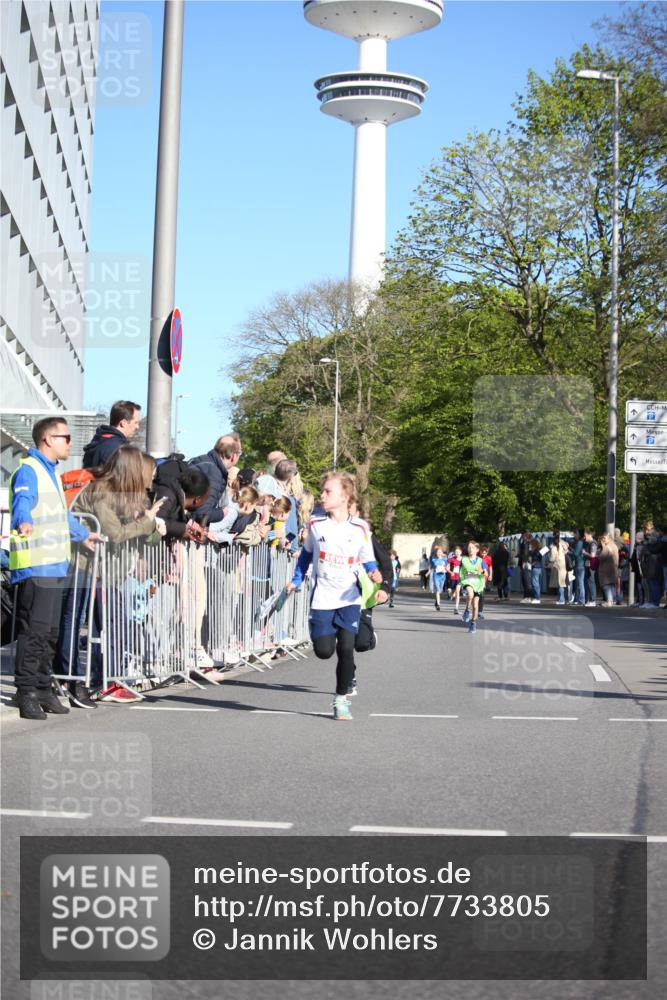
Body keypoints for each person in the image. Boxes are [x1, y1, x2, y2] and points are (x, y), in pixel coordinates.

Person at [9, 417, 100, 720]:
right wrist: (23, 520)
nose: (70, 443)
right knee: (34, 633)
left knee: (49, 633)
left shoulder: (51, 473)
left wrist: (83, 535)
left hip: (55, 565)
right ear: (48, 439)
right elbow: (24, 501)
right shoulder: (29, 470)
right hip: (36, 566)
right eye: (66, 437)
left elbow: (61, 517)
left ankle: (44, 687)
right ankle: (26, 692)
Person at [63, 448, 164, 705]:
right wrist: (148, 521)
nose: (149, 476)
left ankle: (108, 678)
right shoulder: (103, 491)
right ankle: (95, 680)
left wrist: (151, 526)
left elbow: (143, 535)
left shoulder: (128, 495)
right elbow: (115, 532)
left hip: (112, 573)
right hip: (92, 569)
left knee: (113, 625)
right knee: (98, 625)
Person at [287, 472, 381, 721]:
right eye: (323, 490)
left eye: (328, 491)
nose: (323, 495)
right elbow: (306, 556)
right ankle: (324, 633)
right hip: (322, 599)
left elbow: (368, 558)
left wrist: (374, 572)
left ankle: (341, 700)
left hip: (349, 598)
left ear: (344, 497)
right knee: (324, 651)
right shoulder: (316, 525)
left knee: (347, 649)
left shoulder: (361, 527)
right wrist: (296, 580)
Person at [82, 400, 142, 469]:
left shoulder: (98, 441)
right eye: (136, 423)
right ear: (123, 423)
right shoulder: (117, 449)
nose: (137, 427)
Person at [460, 541, 486, 633]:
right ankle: (467, 610)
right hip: (467, 581)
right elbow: (461, 571)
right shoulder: (464, 559)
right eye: (469, 547)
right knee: (470, 594)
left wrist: (481, 572)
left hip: (478, 583)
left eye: (473, 548)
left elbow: (486, 573)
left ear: (477, 550)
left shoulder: (480, 561)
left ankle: (473, 622)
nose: (470, 549)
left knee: (475, 606)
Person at [597, 533, 619, 607]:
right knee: (611, 585)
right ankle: (612, 600)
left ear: (609, 539)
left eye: (604, 538)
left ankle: (609, 601)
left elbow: (601, 557)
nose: (603, 540)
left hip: (607, 570)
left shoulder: (608, 547)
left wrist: (603, 547)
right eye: (602, 538)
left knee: (606, 585)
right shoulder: (614, 546)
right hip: (613, 569)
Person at [549, 531, 568, 605]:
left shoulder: (553, 547)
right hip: (563, 565)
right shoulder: (563, 543)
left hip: (557, 566)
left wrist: (549, 557)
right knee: (563, 583)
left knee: (559, 584)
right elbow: (567, 550)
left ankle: (561, 599)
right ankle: (563, 599)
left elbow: (552, 558)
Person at [583, 530, 598, 607]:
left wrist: (584, 553)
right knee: (589, 582)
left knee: (591, 582)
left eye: (585, 536)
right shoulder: (589, 543)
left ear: (589, 535)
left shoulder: (593, 543)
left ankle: (593, 600)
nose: (584, 538)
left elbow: (593, 555)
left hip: (591, 566)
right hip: (588, 565)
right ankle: (590, 600)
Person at [430, 545, 448, 610]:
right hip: (436, 575)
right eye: (438, 552)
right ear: (436, 553)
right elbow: (432, 566)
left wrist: (445, 570)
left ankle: (436, 601)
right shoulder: (433, 559)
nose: (439, 553)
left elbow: (447, 566)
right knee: (438, 590)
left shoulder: (445, 559)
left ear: (442, 553)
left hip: (443, 576)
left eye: (440, 552)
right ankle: (438, 605)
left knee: (440, 591)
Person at [518, 530, 533, 602]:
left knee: (526, 580)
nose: (521, 537)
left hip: (525, 563)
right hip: (524, 562)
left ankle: (528, 596)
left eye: (523, 535)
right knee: (525, 580)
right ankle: (526, 596)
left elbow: (525, 553)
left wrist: (524, 561)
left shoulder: (527, 543)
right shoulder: (524, 543)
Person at [447, 545, 463, 613]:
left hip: (460, 577)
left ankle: (456, 608)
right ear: (454, 552)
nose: (457, 553)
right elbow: (447, 568)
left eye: (458, 552)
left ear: (461, 552)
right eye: (456, 552)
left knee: (458, 591)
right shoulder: (451, 559)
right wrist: (450, 572)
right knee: (452, 589)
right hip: (453, 576)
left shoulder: (464, 559)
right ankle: (450, 592)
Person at [528, 538, 544, 604]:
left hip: (536, 567)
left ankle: (537, 598)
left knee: (535, 583)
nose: (530, 546)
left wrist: (531, 561)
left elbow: (535, 558)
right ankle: (536, 597)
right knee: (536, 583)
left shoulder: (536, 551)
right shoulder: (539, 549)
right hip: (538, 567)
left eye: (531, 544)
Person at [573, 528, 586, 605]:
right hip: (581, 564)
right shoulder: (581, 542)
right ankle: (579, 599)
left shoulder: (579, 542)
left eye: (576, 533)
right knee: (579, 583)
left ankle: (581, 599)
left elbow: (575, 554)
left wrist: (568, 550)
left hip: (580, 565)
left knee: (580, 583)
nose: (575, 535)